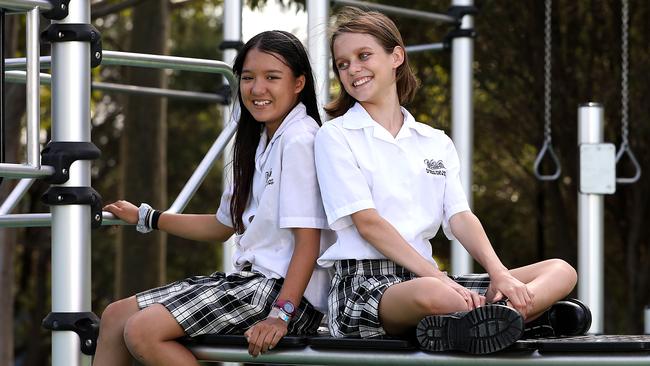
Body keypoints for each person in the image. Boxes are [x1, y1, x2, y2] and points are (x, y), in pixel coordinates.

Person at [314, 7, 590, 355]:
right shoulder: (335, 135)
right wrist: (437, 276)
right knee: (437, 294)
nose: (352, 69)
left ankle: (491, 319)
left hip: (429, 278)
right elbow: (368, 224)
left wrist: (500, 273)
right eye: (342, 63)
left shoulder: (435, 141)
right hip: (366, 284)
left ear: (396, 56)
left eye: (363, 55)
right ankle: (526, 316)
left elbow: (460, 217)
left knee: (560, 270)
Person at [93, 30, 333, 365]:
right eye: (248, 78)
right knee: (115, 317)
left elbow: (309, 241)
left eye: (272, 77)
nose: (257, 89)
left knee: (142, 330)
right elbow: (222, 226)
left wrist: (281, 313)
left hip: (284, 294)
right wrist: (148, 217)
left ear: (298, 84)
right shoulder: (259, 142)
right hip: (249, 284)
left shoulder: (300, 141)